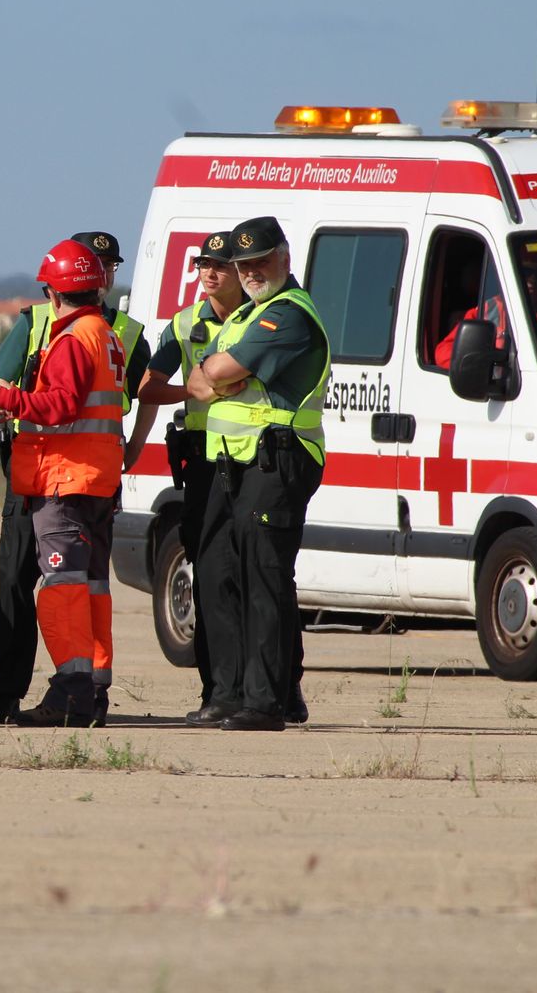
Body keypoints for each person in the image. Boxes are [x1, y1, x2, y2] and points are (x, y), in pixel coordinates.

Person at [0, 229, 148, 725]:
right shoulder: (109, 334)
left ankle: (70, 692)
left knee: (63, 586)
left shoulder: (73, 337)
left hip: (64, 480)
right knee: (92, 586)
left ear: (52, 293)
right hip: (96, 479)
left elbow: (60, 408)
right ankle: (93, 690)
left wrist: (5, 399)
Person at [187, 216, 330, 730]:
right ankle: (230, 694)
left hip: (280, 456)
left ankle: (268, 702)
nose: (251, 272)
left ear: (284, 258)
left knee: (264, 578)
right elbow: (201, 378)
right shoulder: (248, 314)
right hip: (239, 460)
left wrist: (223, 377)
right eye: (243, 265)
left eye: (260, 262)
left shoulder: (287, 314)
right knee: (222, 573)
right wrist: (219, 377)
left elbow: (217, 374)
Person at [131, 232, 244, 714]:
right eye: (203, 264)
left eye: (220, 265)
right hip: (202, 461)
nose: (210, 273)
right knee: (207, 573)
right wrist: (191, 395)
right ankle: (214, 690)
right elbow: (147, 388)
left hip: (249, 458)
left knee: (255, 575)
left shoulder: (259, 320)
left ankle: (269, 688)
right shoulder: (182, 324)